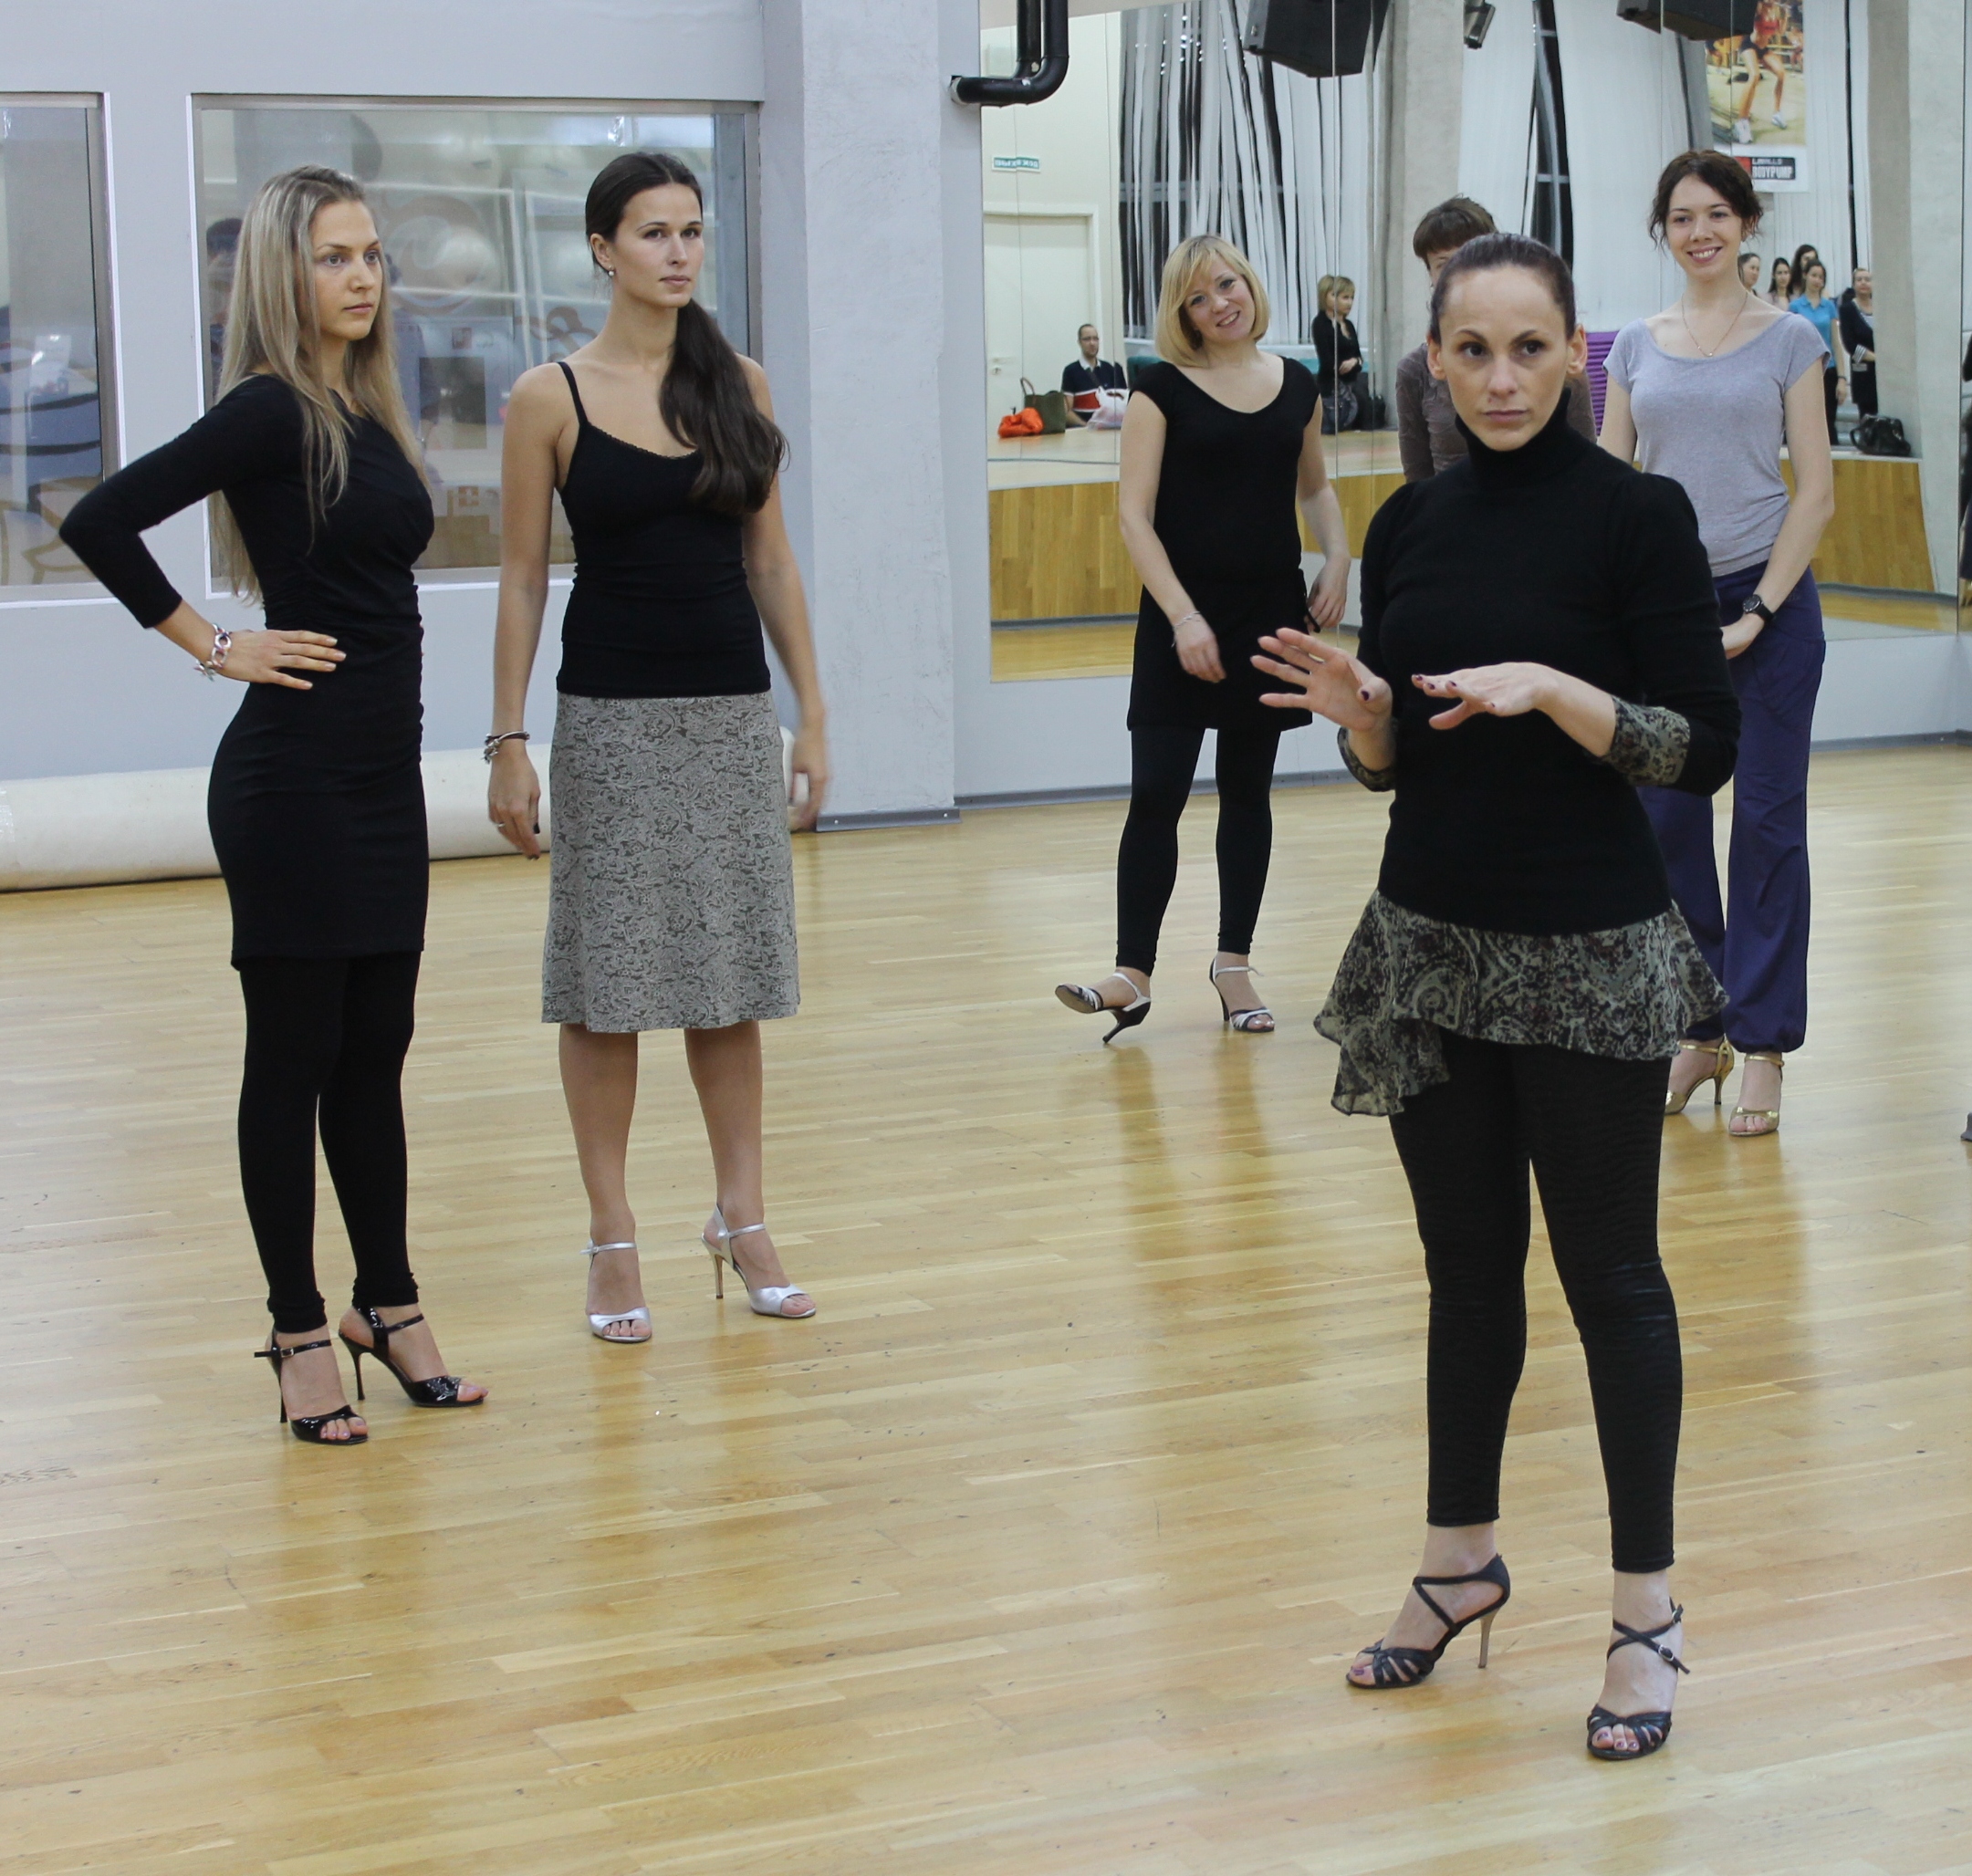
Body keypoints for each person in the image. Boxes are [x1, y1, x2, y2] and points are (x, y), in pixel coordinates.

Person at [1256, 232, 1737, 1761]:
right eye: (1473, 350)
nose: (1502, 378)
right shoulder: (1412, 521)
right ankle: (1457, 1563)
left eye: (1530, 348)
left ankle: (1646, 1616)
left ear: (1573, 353)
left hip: (1589, 951)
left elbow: (1699, 746)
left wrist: (1556, 688)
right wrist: (1364, 717)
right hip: (1431, 944)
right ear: (1436, 362)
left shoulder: (1638, 517)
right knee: (1465, 1277)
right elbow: (1399, 759)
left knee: (1613, 1283)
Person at [60, 166, 485, 1443]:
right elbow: (99, 518)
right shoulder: (264, 410)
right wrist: (213, 643)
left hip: (381, 782)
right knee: (292, 1061)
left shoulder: (367, 411)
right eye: (333, 258)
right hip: (292, 787)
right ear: (282, 275)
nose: (362, 278)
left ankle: (388, 1305)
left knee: (376, 1054)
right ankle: (298, 1328)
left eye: (371, 256)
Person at [487, 151, 827, 1339]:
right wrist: (507, 738)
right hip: (610, 723)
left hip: (729, 713)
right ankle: (612, 1235)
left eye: (691, 231)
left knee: (727, 981)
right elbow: (521, 578)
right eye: (652, 232)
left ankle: (743, 1216)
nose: (678, 253)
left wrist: (812, 713)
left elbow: (769, 560)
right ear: (601, 248)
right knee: (608, 986)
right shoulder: (548, 397)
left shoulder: (740, 383)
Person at [1053, 234, 1349, 1039]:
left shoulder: (1297, 384)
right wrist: (1183, 617)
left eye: (1226, 284)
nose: (1219, 303)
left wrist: (1336, 556)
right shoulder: (1159, 389)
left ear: (1249, 283)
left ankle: (1233, 964)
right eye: (1197, 297)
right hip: (1178, 616)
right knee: (1156, 794)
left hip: (1267, 613)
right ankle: (1132, 973)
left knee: (1248, 793)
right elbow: (1133, 516)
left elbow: (1314, 488)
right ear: (1180, 315)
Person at [1601, 148, 1835, 1138]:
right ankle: (1698, 1030)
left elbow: (1814, 491)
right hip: (1663, 615)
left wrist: (1759, 614)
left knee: (1767, 827)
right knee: (1665, 825)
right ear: (1664, 230)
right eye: (1681, 217)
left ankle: (1764, 1043)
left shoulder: (1790, 338)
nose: (1698, 232)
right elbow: (1611, 483)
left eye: (1715, 215)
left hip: (1769, 605)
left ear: (1745, 224)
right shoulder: (1633, 346)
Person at [1394, 197, 1595, 481]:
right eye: (1445, 264)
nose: (1462, 272)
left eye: (1530, 348)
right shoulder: (1414, 371)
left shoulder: (1555, 357)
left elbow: (1587, 460)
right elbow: (1417, 477)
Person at [1788, 262, 1849, 445]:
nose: (1817, 280)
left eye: (1821, 277)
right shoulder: (1795, 307)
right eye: (1814, 275)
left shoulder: (1828, 307)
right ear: (1805, 275)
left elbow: (1836, 343)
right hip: (1803, 370)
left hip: (1828, 369)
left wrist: (1842, 378)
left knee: (1828, 420)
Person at [1310, 276, 1367, 433]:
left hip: (1352, 387)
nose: (1349, 303)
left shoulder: (1349, 325)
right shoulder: (1320, 324)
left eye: (1351, 298)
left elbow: (1358, 357)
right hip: (1332, 389)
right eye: (1345, 298)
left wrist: (1355, 362)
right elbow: (1328, 362)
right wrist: (1351, 363)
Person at [1060, 323, 1126, 420]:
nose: (1092, 343)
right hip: (1083, 427)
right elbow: (1066, 411)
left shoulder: (1109, 369)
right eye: (1087, 339)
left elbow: (1121, 404)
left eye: (1095, 339)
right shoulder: (1071, 371)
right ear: (1079, 342)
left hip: (1109, 427)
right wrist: (1087, 426)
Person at [1839, 266, 1875, 422]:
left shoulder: (1882, 307)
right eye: (1859, 280)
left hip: (1883, 376)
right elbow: (1849, 344)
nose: (1863, 283)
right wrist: (1875, 357)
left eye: (1867, 279)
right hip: (1862, 373)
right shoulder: (1847, 310)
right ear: (1853, 284)